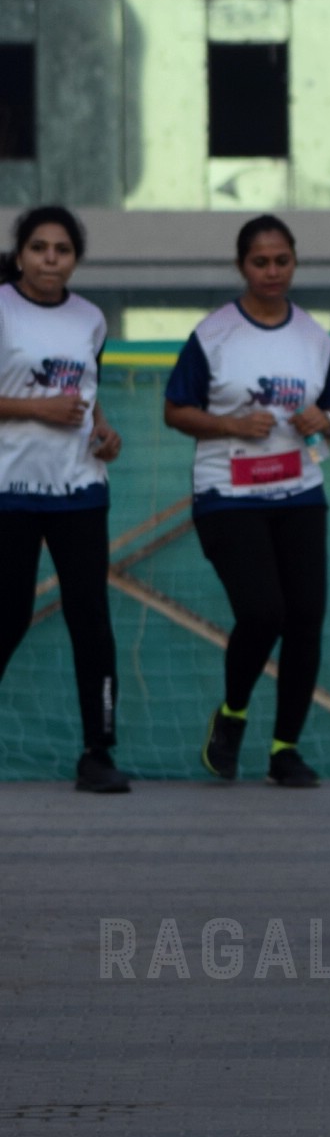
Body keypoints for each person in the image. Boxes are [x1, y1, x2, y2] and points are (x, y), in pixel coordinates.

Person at [162, 215, 330, 788]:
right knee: (264, 611)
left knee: (306, 619)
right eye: (260, 262)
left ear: (295, 262)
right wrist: (231, 424)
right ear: (242, 266)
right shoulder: (215, 333)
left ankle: (284, 749)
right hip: (228, 495)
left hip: (298, 491)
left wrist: (329, 419)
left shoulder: (315, 337)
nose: (272, 272)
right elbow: (175, 410)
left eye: (282, 260)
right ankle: (234, 712)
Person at [0, 204, 128, 793]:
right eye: (39, 248)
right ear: (21, 254)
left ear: (75, 258)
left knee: (90, 619)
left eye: (63, 250)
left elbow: (87, 391)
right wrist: (37, 409)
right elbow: (46, 400)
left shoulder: (90, 318)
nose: (51, 259)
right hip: (11, 490)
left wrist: (103, 431)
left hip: (79, 488)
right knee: (9, 615)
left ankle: (98, 752)